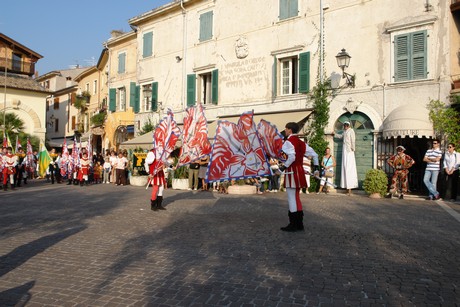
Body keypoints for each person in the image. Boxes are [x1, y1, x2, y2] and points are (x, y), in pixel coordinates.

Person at [278, 122, 317, 232]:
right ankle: (299, 224)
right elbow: (315, 155)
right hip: (299, 171)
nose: (285, 130)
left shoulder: (288, 142)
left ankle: (293, 224)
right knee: (296, 197)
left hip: (291, 171)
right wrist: (317, 168)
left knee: (291, 198)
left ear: (290, 130)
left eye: (286, 128)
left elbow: (291, 157)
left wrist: (282, 168)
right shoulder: (301, 142)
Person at [333, 121, 358, 195]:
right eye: (344, 125)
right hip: (344, 150)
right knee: (345, 167)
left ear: (349, 125)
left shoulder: (351, 131)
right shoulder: (344, 132)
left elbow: (353, 140)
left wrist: (353, 148)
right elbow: (340, 136)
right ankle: (346, 187)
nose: (345, 126)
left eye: (346, 125)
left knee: (349, 168)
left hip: (349, 150)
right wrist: (334, 134)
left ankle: (350, 188)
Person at [145, 147, 167, 211]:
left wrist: (172, 166)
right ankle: (153, 205)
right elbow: (146, 163)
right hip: (154, 174)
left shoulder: (163, 152)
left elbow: (165, 163)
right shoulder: (152, 153)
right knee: (155, 189)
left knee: (161, 188)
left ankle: (159, 205)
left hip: (160, 173)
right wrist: (148, 173)